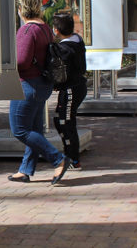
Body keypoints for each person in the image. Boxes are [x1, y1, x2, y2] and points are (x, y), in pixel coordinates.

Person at [7, 0, 70, 185]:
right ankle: (25, 170)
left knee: (20, 130)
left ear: (20, 9)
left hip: (27, 84)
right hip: (42, 85)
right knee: (35, 129)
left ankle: (58, 159)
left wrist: (7, 63)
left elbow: (23, 61)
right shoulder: (45, 29)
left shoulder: (26, 30)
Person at [51, 14, 87, 170]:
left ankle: (73, 159)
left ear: (56, 30)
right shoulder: (78, 41)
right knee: (60, 119)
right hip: (77, 86)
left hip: (71, 89)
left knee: (66, 122)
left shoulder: (64, 48)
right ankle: (70, 154)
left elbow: (60, 72)